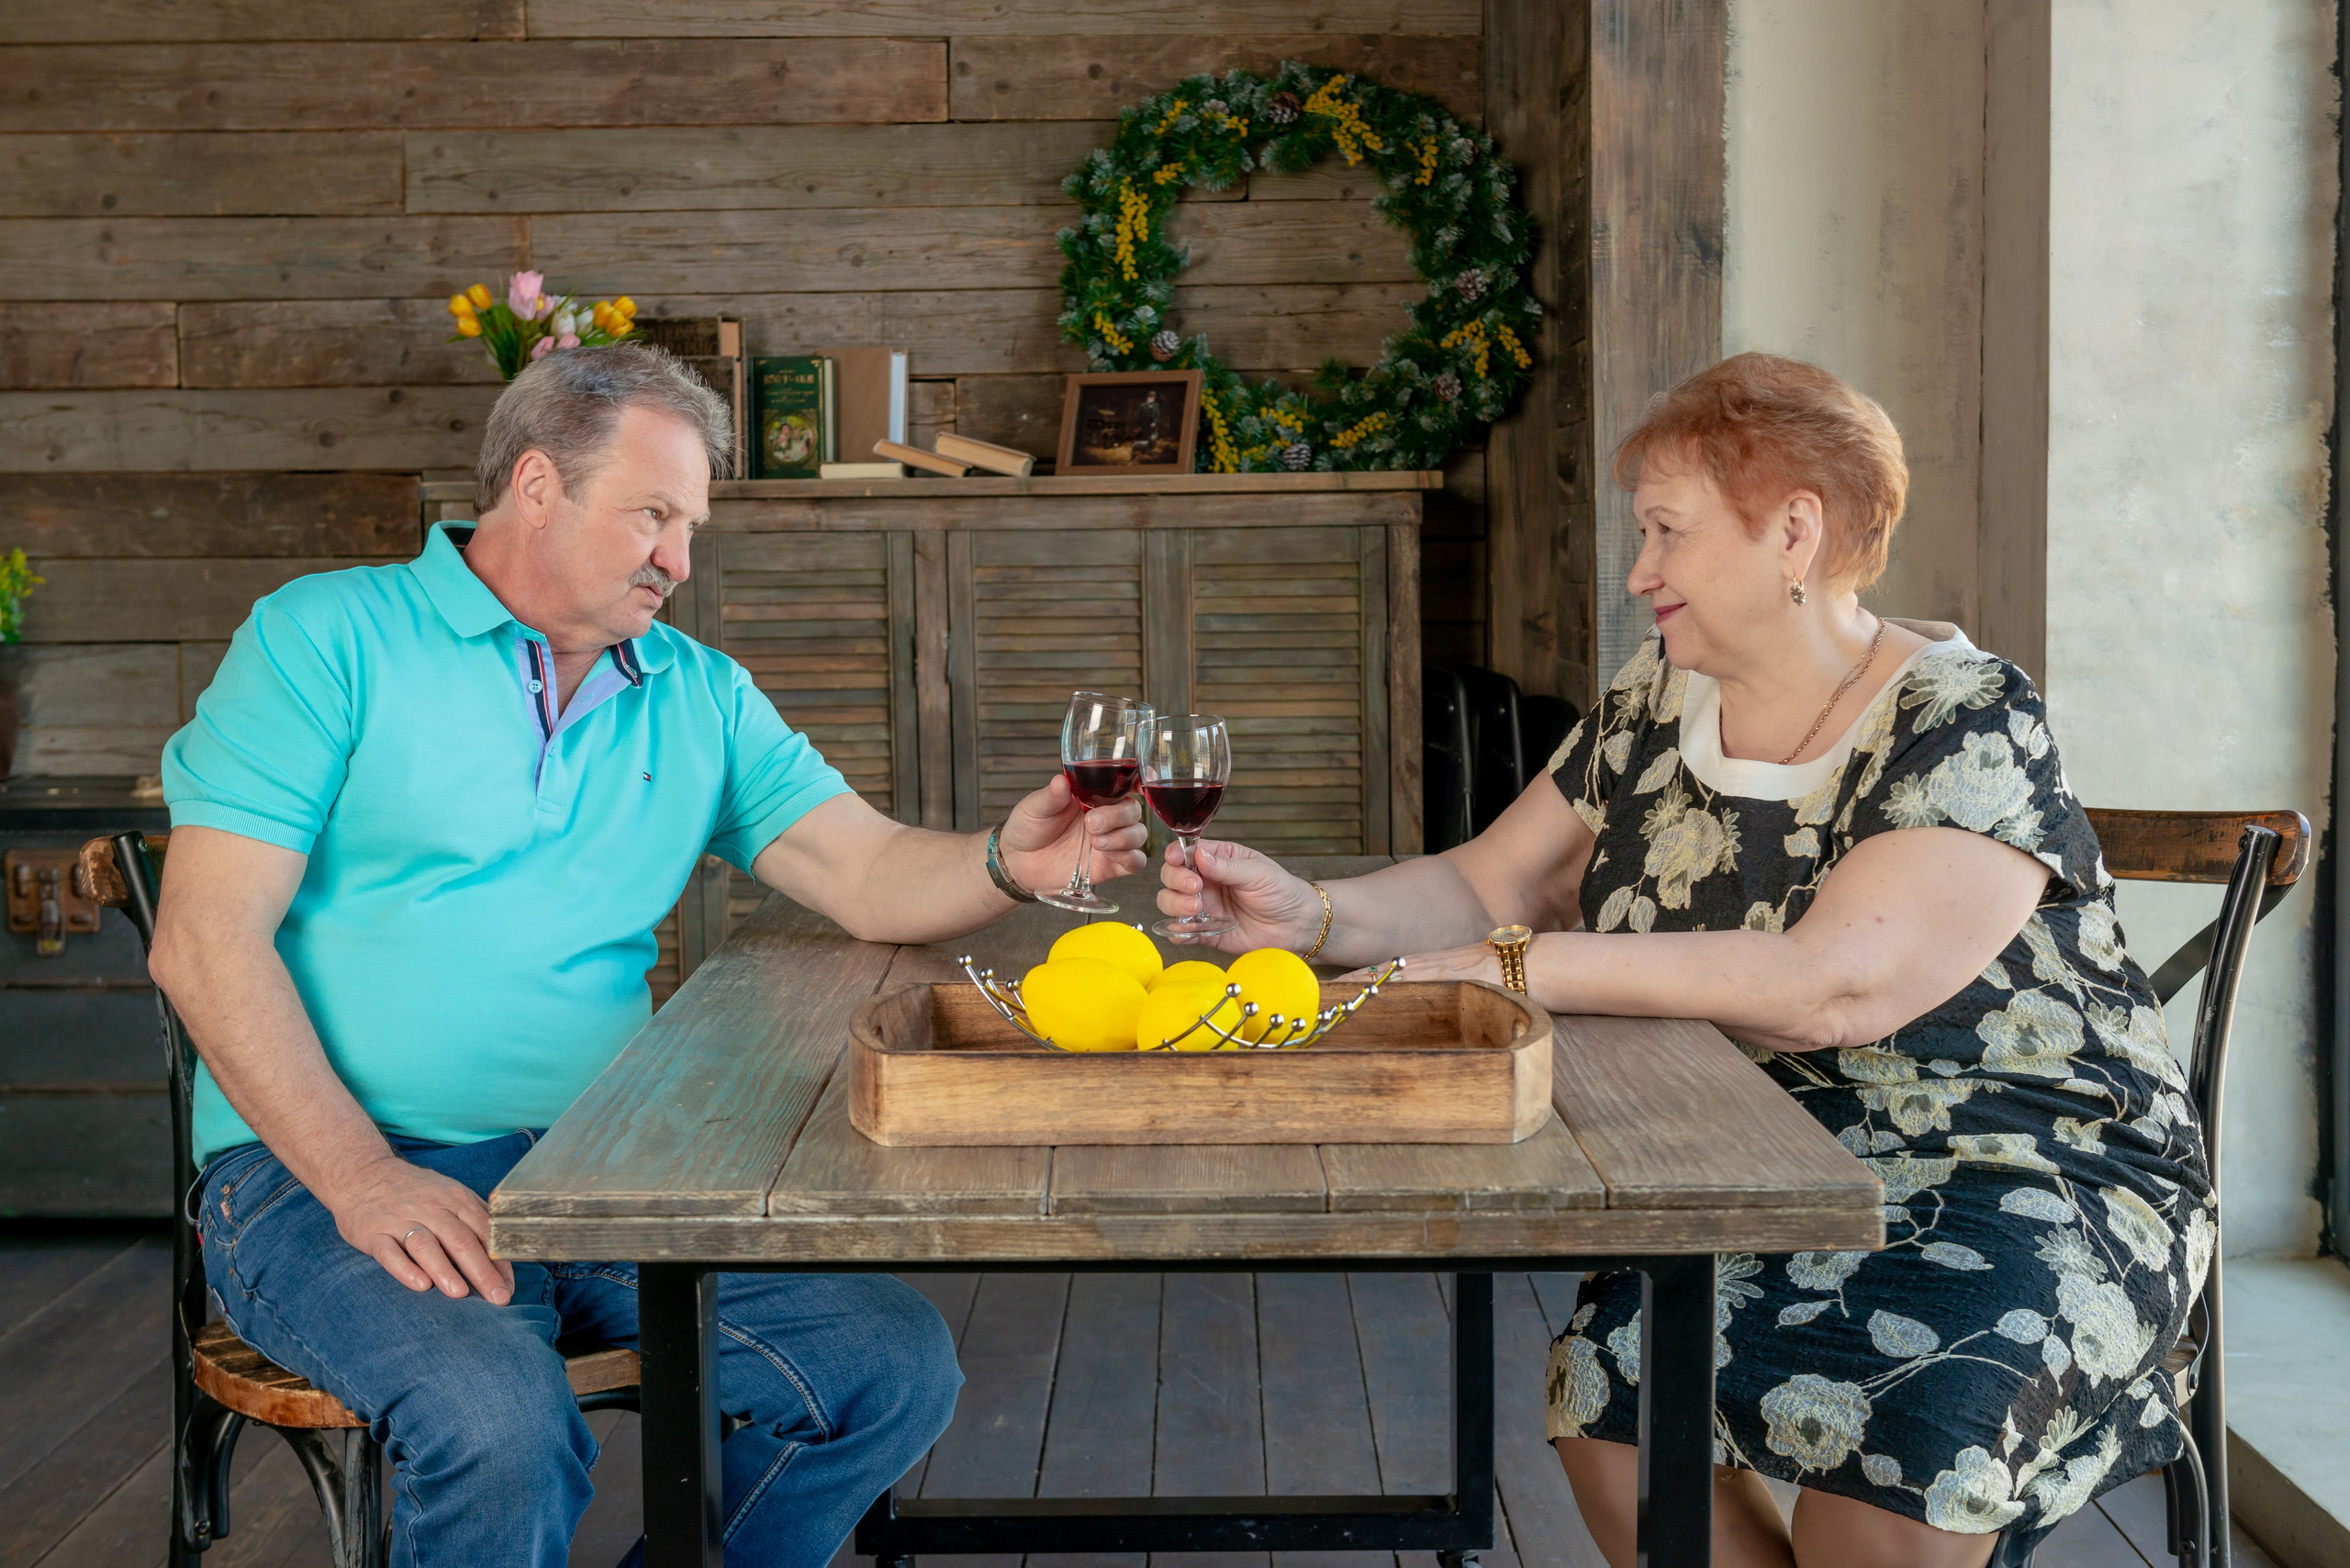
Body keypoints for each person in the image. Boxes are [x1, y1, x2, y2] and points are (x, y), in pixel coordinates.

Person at [1155, 353, 2209, 1568]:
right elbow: (1495, 882)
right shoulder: (1660, 695)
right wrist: (1312, 916)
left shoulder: (1965, 715)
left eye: (1667, 531)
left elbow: (1827, 987)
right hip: (1750, 1158)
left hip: (2026, 1167)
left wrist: (1518, 971)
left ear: (1794, 535)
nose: (1642, 570)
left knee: (1905, 1459)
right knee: (1608, 1396)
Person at [149, 343, 1147, 1568]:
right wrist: (363, 1177)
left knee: (884, 1368)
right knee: (496, 1422)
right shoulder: (326, 637)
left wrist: (1007, 858)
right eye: (654, 516)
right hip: (322, 1177)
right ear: (535, 486)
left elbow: (863, 870)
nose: (681, 558)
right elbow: (202, 940)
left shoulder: (699, 694)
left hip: (602, 1178)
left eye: (691, 525)